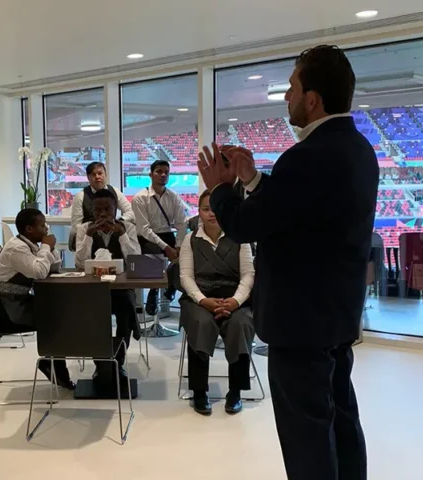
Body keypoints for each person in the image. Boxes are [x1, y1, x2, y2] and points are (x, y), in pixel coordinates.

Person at [198, 45, 376, 480]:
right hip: (336, 318)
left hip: (299, 326)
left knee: (307, 438)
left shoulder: (306, 157)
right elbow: (298, 209)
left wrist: (220, 189)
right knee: (341, 422)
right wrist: (254, 179)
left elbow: (245, 225)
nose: (286, 96)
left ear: (312, 99)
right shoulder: (358, 150)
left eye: (292, 87)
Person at [179, 190, 255, 416]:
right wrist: (203, 300)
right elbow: (186, 277)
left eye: (216, 209)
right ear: (199, 212)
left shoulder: (240, 238)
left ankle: (236, 392)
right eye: (206, 209)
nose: (211, 214)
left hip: (234, 298)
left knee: (241, 324)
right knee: (200, 323)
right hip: (200, 298)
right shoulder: (190, 240)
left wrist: (235, 301)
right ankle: (199, 391)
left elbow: (248, 274)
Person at [0, 208, 75, 390]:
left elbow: (52, 267)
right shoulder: (17, 248)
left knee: (60, 312)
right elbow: (39, 272)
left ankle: (52, 363)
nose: (46, 229)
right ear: (29, 229)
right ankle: (53, 365)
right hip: (7, 306)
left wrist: (49, 248)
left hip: (19, 298)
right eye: (42, 225)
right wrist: (45, 247)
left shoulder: (29, 245)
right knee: (56, 319)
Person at [74, 189, 141, 390]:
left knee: (126, 308)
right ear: (92, 211)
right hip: (93, 289)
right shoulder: (83, 229)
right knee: (94, 316)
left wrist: (122, 236)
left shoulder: (127, 227)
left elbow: (135, 261)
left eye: (107, 209)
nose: (103, 214)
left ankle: (118, 361)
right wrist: (88, 237)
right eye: (98, 210)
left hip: (120, 288)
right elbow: (79, 263)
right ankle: (101, 363)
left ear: (115, 209)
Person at [131, 160, 188, 315]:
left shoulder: (174, 197)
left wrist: (179, 245)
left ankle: (171, 285)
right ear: (151, 174)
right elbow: (144, 229)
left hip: (167, 234)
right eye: (159, 171)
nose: (163, 175)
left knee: (185, 255)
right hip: (147, 237)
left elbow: (182, 224)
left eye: (166, 172)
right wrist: (167, 248)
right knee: (156, 255)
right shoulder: (140, 198)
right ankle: (154, 291)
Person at [69, 161, 135, 250]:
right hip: (90, 236)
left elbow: (131, 211)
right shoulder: (81, 196)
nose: (97, 177)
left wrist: (120, 220)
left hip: (113, 234)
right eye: (93, 174)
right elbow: (76, 225)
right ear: (88, 177)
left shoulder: (115, 192)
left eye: (100, 173)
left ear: (105, 175)